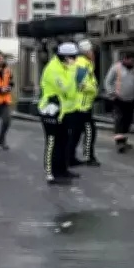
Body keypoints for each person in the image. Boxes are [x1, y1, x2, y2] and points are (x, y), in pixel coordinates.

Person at [38, 42, 79, 185]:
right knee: (52, 143)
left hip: (63, 111)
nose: (75, 60)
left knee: (64, 142)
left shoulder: (66, 67)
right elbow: (67, 89)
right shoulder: (54, 69)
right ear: (65, 57)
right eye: (73, 57)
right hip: (50, 110)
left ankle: (62, 170)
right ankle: (51, 173)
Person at [68, 39, 100, 167]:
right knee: (90, 131)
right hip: (82, 105)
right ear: (86, 51)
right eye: (91, 50)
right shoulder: (82, 64)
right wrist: (93, 89)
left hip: (80, 104)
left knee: (76, 133)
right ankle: (89, 157)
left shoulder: (84, 63)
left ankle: (70, 158)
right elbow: (79, 84)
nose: (93, 53)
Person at [104, 51, 134, 154]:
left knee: (128, 121)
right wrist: (111, 93)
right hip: (118, 99)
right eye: (132, 60)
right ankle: (119, 142)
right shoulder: (116, 68)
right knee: (119, 120)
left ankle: (123, 140)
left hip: (131, 100)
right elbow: (108, 82)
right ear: (126, 59)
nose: (133, 62)